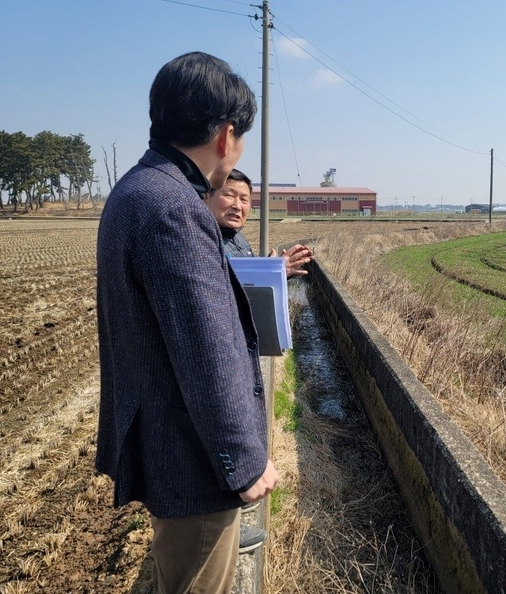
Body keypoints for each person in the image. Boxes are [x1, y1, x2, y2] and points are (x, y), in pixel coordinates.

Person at [95, 52, 278, 594]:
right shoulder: (175, 208)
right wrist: (244, 462)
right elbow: (207, 353)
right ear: (225, 136)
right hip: (192, 457)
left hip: (169, 438)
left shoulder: (136, 190)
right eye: (240, 140)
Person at [204, 168, 313, 275]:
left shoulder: (239, 238)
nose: (237, 206)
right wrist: (273, 272)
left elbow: (251, 275)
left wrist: (272, 266)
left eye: (244, 200)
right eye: (229, 195)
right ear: (206, 198)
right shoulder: (202, 242)